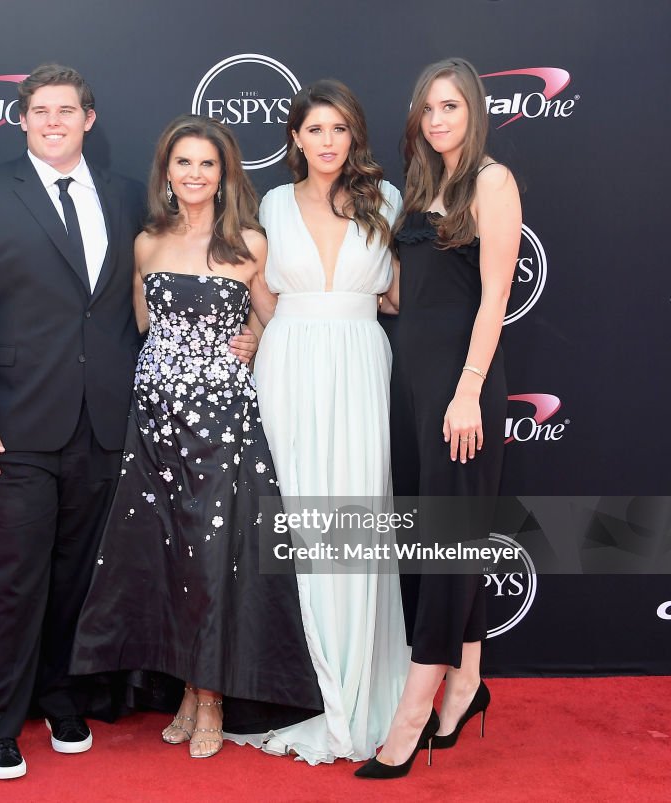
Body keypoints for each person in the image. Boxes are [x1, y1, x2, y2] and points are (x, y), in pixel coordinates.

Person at [0, 66, 257, 780]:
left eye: (67, 110)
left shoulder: (125, 202)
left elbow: (154, 306)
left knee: (76, 577)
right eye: (40, 110)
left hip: (106, 425)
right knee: (14, 577)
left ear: (89, 118)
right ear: (22, 119)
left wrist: (253, 334)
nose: (53, 120)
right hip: (11, 426)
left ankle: (59, 695)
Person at [70, 114, 323, 760]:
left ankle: (211, 695)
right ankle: (186, 687)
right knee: (169, 559)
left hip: (222, 424)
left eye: (206, 164)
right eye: (182, 162)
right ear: (167, 172)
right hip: (155, 422)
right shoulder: (148, 242)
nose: (193, 174)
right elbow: (142, 324)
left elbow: (281, 322)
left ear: (224, 173)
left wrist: (256, 337)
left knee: (210, 565)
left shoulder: (249, 244)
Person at [228, 80, 410, 764]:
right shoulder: (271, 203)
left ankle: (358, 689)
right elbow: (261, 294)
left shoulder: (386, 200)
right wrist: (258, 335)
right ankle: (300, 687)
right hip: (289, 367)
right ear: (294, 138)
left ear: (352, 136)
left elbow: (392, 296)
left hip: (361, 364)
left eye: (339, 129)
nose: (327, 141)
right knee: (298, 519)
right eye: (315, 129)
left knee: (354, 518)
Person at [355, 57, 521, 779]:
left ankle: (412, 715)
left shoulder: (492, 181)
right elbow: (402, 299)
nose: (438, 119)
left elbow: (493, 298)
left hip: (462, 388)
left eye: (450, 106)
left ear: (473, 110)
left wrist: (468, 388)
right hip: (410, 385)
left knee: (445, 547)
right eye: (428, 108)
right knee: (437, 541)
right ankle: (464, 683)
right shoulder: (419, 192)